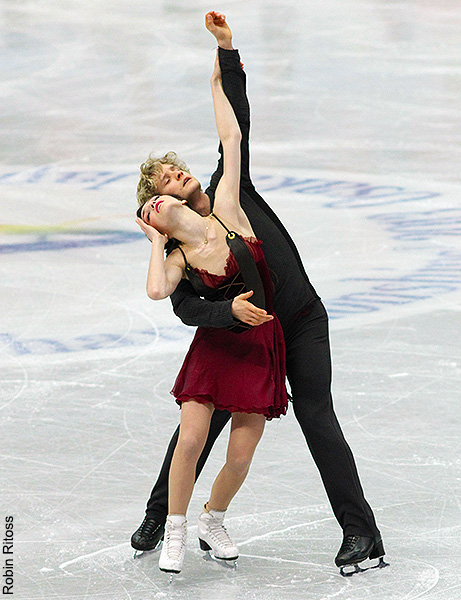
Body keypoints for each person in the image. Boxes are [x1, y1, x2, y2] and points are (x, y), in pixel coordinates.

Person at [132, 11, 386, 574]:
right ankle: (160, 515)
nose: (177, 178)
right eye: (164, 184)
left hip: (299, 321)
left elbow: (235, 122)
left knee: (318, 417)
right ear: (159, 210)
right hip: (239, 336)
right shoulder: (180, 252)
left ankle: (361, 534)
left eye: (177, 171)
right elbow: (183, 306)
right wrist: (229, 313)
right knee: (197, 427)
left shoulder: (231, 188)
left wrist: (226, 51)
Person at [136, 43, 287, 576]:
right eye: (154, 202)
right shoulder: (175, 253)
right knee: (193, 440)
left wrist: (217, 81)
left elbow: (231, 138)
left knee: (241, 455)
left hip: (261, 343)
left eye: (163, 192)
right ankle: (174, 530)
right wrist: (155, 244)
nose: (165, 195)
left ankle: (213, 518)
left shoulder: (225, 208)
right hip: (215, 348)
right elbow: (159, 295)